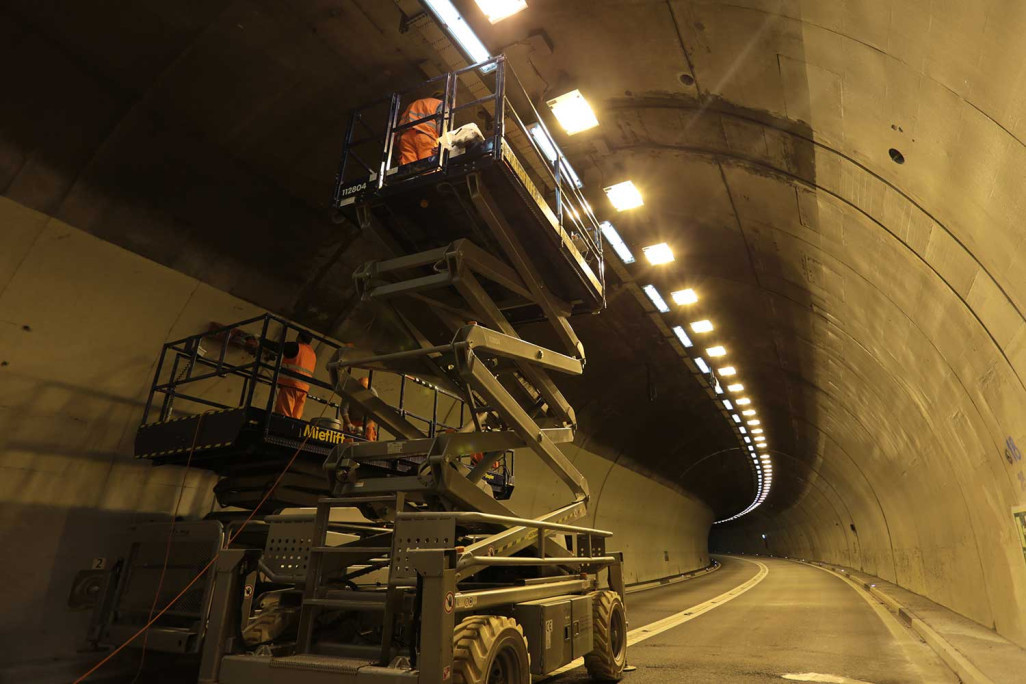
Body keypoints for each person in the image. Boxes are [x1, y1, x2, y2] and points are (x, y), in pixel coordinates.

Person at [273, 330, 316, 420]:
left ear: (299, 337)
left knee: (284, 414)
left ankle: (281, 427)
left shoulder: (296, 347)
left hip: (291, 385)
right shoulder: (312, 354)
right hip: (304, 389)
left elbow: (278, 347)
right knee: (296, 417)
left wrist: (260, 340)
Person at [397, 93, 444, 165]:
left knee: (408, 168)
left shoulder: (413, 104)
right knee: (429, 167)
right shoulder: (440, 104)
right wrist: (443, 146)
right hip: (424, 137)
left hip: (405, 138)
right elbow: (441, 126)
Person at [341, 376, 378, 441]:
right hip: (351, 420)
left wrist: (365, 426)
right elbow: (344, 410)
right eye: (359, 389)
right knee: (348, 439)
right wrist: (349, 424)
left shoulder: (373, 394)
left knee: (370, 438)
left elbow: (374, 414)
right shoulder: (349, 391)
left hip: (367, 421)